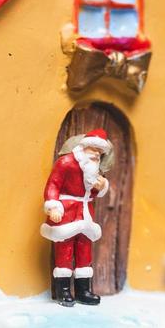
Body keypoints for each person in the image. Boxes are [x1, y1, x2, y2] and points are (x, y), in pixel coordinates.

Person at [40, 128, 113, 307]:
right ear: (83, 147)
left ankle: (83, 290)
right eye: (93, 149)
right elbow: (53, 185)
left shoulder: (94, 169)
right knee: (64, 248)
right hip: (67, 211)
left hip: (86, 211)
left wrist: (102, 185)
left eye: (99, 152)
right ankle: (64, 290)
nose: (96, 154)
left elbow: (94, 191)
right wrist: (53, 206)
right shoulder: (66, 162)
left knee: (84, 250)